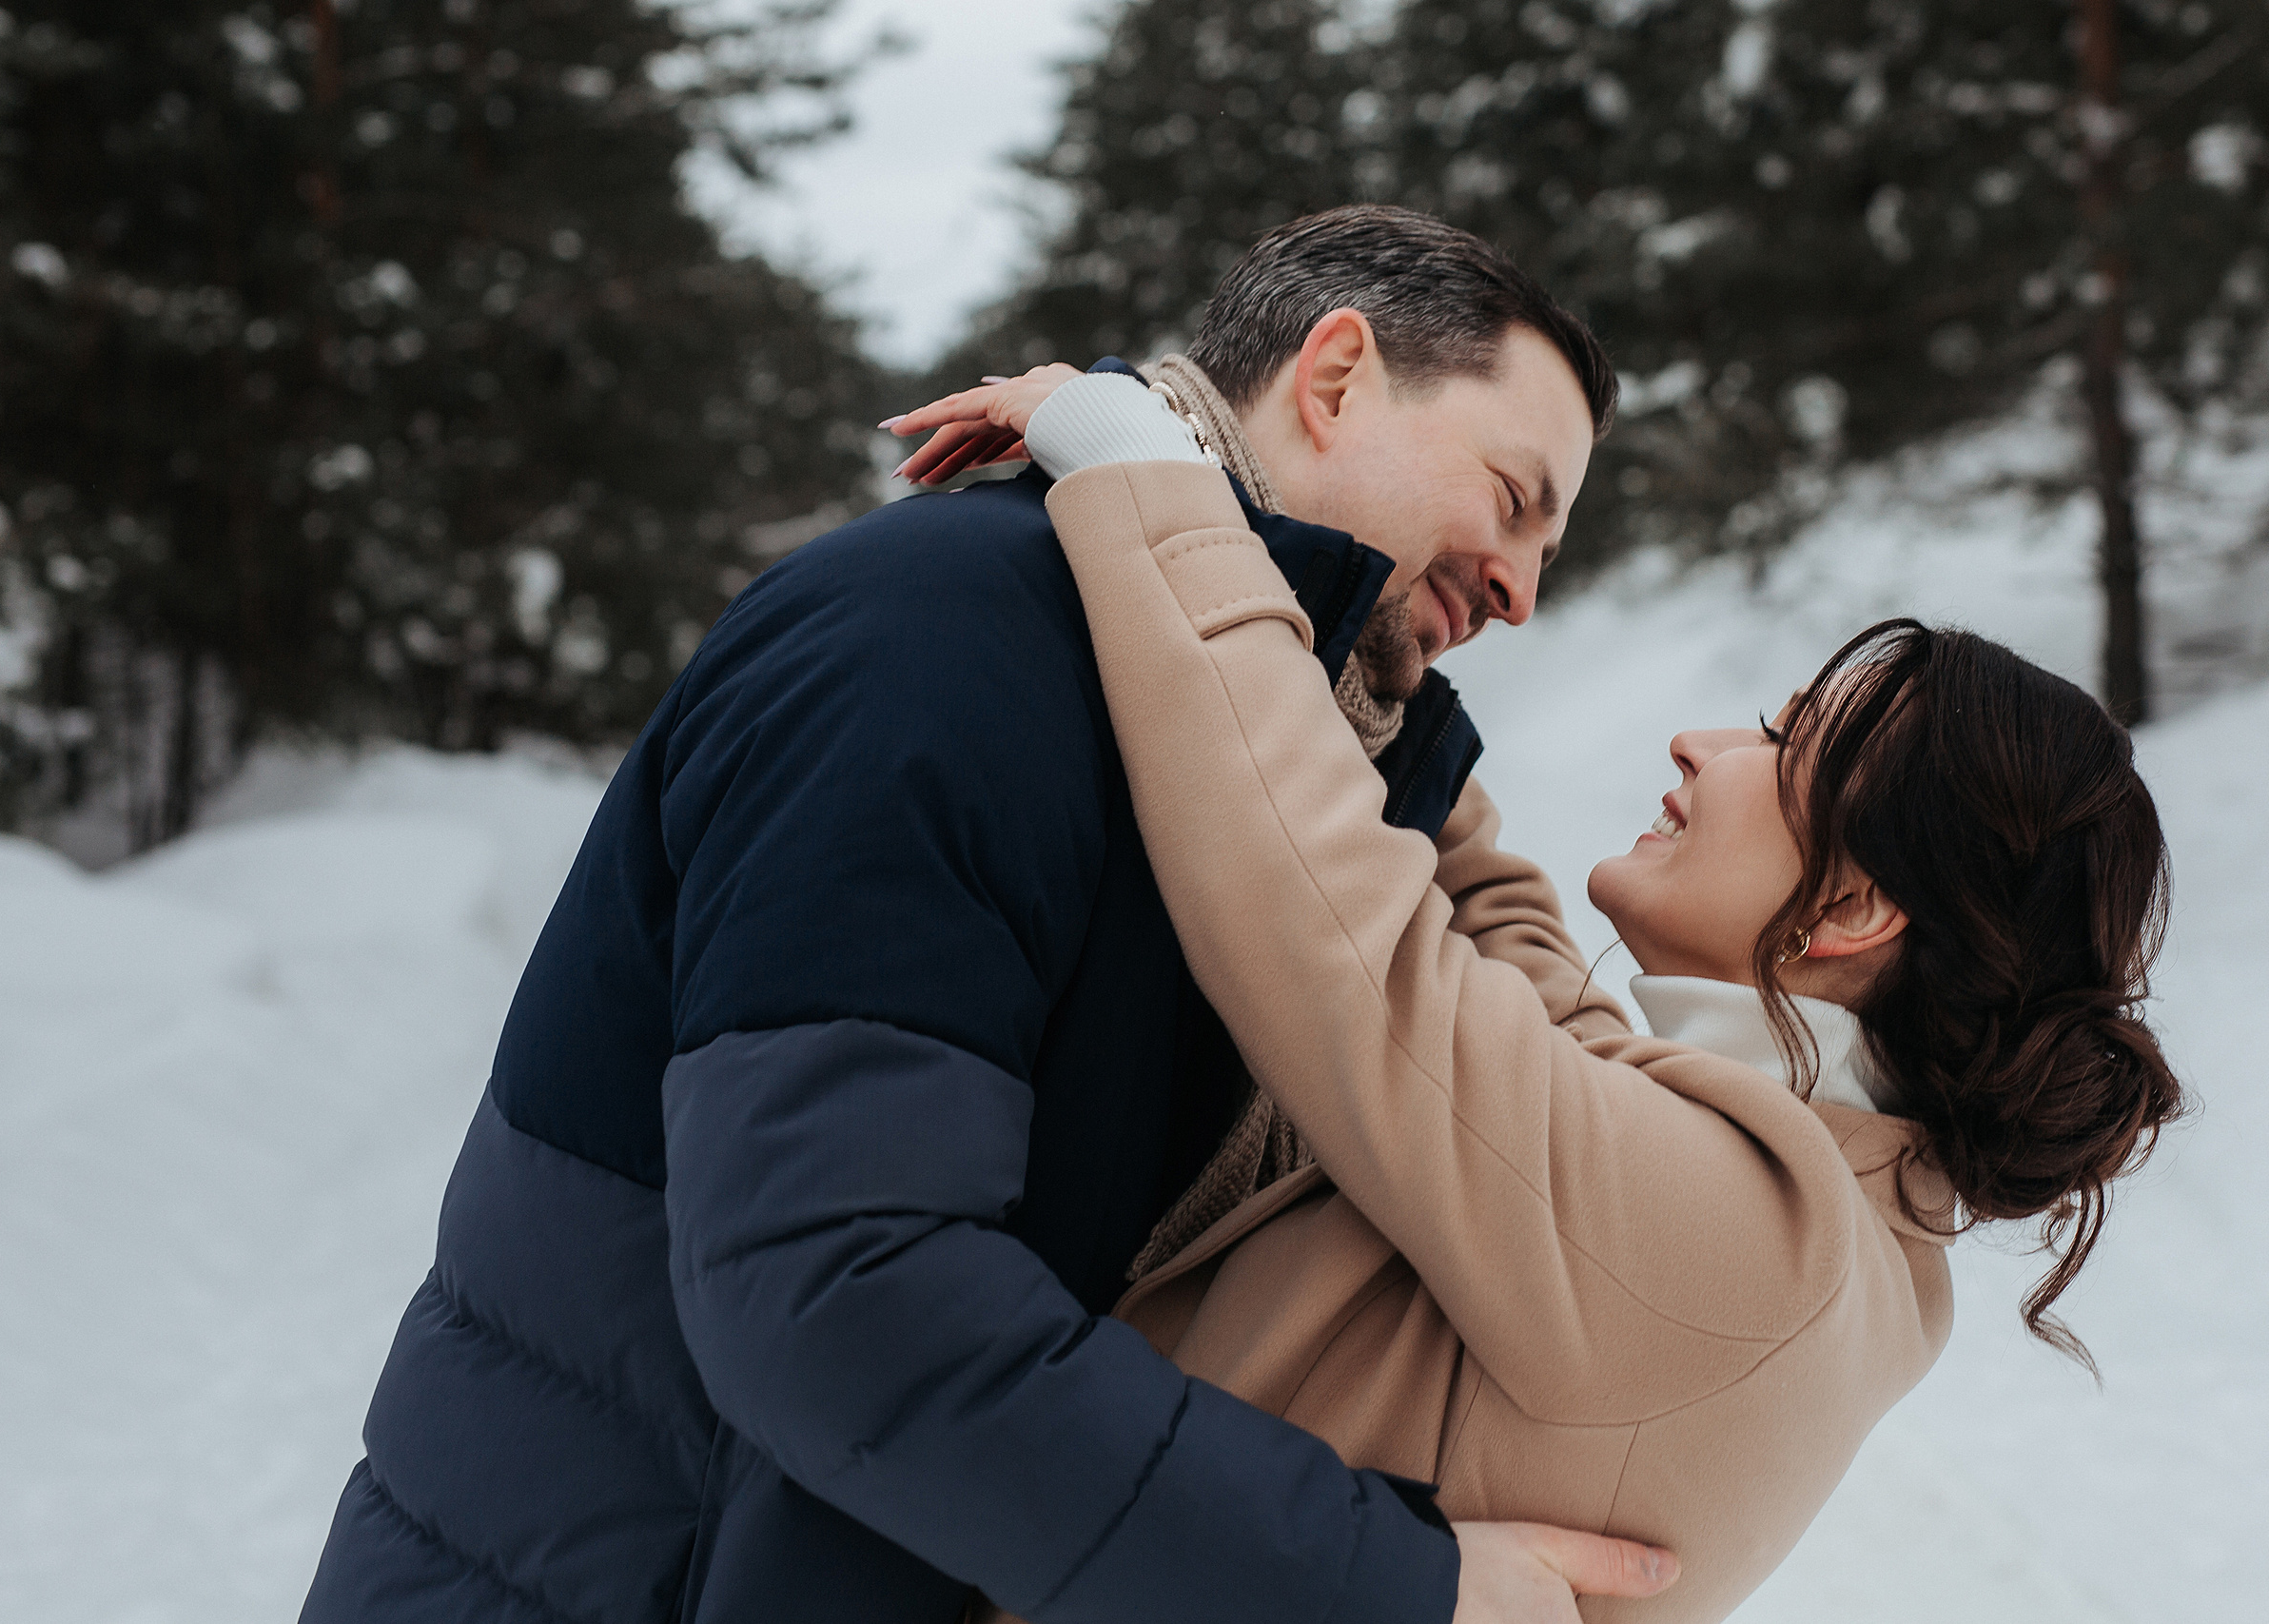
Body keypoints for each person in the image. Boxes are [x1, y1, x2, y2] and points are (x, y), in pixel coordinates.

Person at [298, 207, 1681, 1624]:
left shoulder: (1254, 778)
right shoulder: (940, 639)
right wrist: (1392, 1589)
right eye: (1514, 500)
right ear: (1336, 380)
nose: (1521, 593)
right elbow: (840, 1296)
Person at [882, 362, 2189, 1621]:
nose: (1705, 741)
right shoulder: (1826, 1216)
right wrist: (1379, 645)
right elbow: (1517, 981)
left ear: (1850, 909)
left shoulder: (1748, 1246)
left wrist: (1143, 477)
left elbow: (1338, 932)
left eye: (1784, 742)